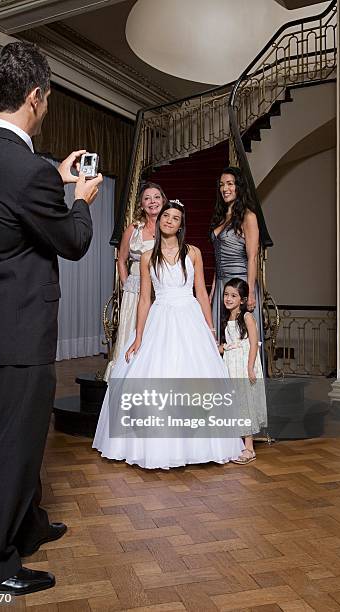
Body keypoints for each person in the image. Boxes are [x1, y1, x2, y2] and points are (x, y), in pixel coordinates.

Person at [0, 42, 102, 595]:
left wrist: (51, 177)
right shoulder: (29, 173)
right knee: (9, 446)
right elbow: (73, 241)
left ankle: (29, 526)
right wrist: (81, 197)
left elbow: (7, 213)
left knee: (13, 432)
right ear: (36, 98)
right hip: (21, 335)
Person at [93, 201, 245, 469]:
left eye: (175, 218)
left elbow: (200, 293)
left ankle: (197, 445)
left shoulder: (194, 253)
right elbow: (143, 300)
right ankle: (156, 445)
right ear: (160, 219)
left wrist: (210, 331)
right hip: (160, 316)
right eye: (166, 216)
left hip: (189, 318)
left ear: (180, 224)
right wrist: (138, 337)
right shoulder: (147, 256)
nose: (169, 221)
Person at [103, 182, 167, 381]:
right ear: (141, 204)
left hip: (159, 291)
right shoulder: (133, 229)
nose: (152, 202)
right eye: (147, 198)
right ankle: (126, 379)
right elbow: (121, 260)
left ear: (163, 201)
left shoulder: (169, 226)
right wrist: (126, 285)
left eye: (156, 197)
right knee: (131, 334)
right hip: (135, 290)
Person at [209, 167, 262, 346]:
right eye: (222, 185)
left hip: (240, 284)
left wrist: (251, 293)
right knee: (220, 340)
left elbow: (252, 257)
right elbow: (218, 259)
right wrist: (213, 291)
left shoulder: (248, 216)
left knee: (240, 341)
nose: (225, 188)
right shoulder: (221, 216)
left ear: (239, 187)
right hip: (222, 285)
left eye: (230, 184)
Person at [218, 278, 267, 464]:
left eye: (233, 295)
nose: (228, 299)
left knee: (246, 402)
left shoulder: (246, 317)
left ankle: (249, 447)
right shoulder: (227, 318)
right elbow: (231, 345)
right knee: (236, 402)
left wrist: (250, 367)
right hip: (231, 364)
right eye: (226, 295)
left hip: (244, 364)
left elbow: (253, 342)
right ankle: (237, 443)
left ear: (243, 299)